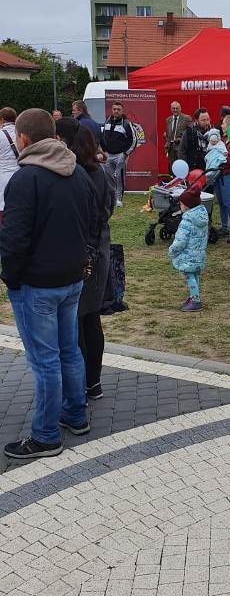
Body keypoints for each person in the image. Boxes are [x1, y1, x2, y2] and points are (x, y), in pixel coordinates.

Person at [0, 109, 96, 459]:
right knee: (68, 350)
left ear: (23, 139)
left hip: (37, 283)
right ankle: (75, 414)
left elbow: (14, 239)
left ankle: (45, 436)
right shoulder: (77, 172)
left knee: (45, 360)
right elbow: (91, 220)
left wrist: (10, 276)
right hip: (71, 277)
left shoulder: (25, 179)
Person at [56, 119, 115, 399]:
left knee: (77, 321)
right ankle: (94, 382)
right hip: (99, 250)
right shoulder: (101, 172)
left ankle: (79, 385)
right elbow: (109, 208)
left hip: (82, 252)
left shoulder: (74, 175)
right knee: (91, 319)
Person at [168, 186, 209, 311]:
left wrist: (172, 250)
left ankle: (195, 300)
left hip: (188, 255)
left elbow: (180, 241)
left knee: (189, 276)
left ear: (187, 205)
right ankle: (193, 296)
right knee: (194, 275)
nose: (180, 206)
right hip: (199, 253)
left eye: (181, 204)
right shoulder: (202, 218)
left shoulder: (187, 221)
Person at [100, 100, 134, 207]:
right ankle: (111, 198)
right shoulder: (107, 121)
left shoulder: (126, 123)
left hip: (120, 155)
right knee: (108, 177)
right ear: (112, 110)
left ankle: (119, 199)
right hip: (108, 155)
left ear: (122, 110)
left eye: (118, 109)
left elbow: (133, 140)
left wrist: (125, 154)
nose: (116, 111)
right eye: (114, 109)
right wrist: (103, 151)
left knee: (119, 177)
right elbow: (103, 137)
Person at [0, 106, 19, 218]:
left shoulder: (0, 134)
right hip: (21, 174)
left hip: (3, 177)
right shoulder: (21, 133)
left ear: (2, 119)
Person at [164, 101, 192, 171]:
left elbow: (190, 132)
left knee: (181, 168)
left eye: (177, 108)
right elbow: (168, 134)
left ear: (180, 108)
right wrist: (166, 141)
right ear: (171, 109)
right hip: (170, 149)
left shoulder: (187, 118)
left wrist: (180, 138)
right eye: (173, 108)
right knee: (172, 169)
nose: (175, 110)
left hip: (181, 148)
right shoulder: (168, 120)